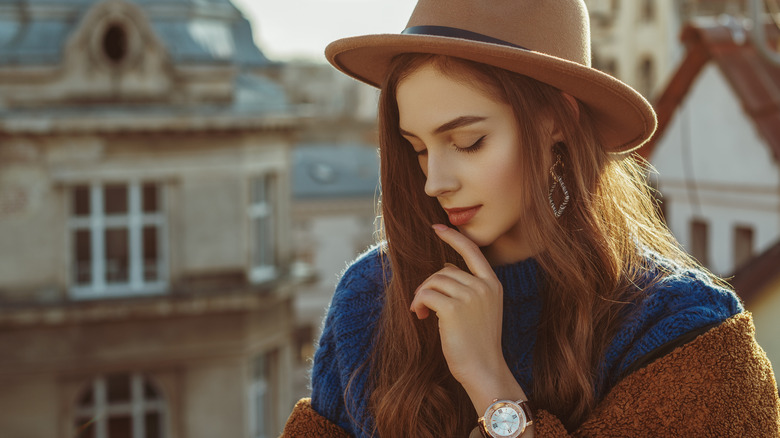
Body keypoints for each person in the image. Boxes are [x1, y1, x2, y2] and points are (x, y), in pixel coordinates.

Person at [282, 0, 780, 437]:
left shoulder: (687, 333)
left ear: (556, 123)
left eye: (468, 142)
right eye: (418, 149)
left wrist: (491, 384)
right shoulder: (370, 294)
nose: (435, 182)